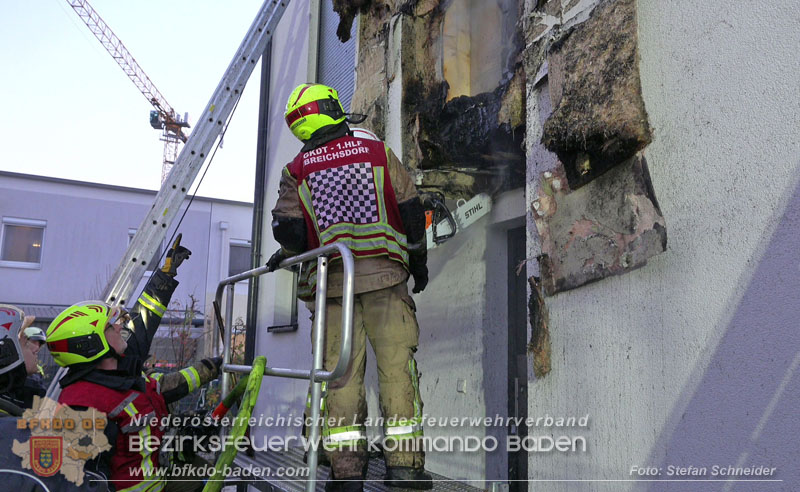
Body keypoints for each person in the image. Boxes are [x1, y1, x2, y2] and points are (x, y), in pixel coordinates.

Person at [270, 83, 432, 491]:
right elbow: (412, 210)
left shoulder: (297, 170)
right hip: (386, 280)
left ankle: (345, 477)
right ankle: (405, 470)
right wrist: (419, 263)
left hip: (332, 290)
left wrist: (293, 249)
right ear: (331, 107)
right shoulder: (375, 151)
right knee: (397, 372)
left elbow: (287, 229)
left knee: (340, 377)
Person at [47, 235, 223, 492]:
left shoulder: (118, 371)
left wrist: (164, 277)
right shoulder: (81, 408)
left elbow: (143, 326)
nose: (120, 325)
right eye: (110, 326)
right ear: (91, 345)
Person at [0, 304, 108, 491]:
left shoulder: (22, 407)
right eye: (25, 342)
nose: (37, 348)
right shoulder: (24, 436)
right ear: (5, 353)